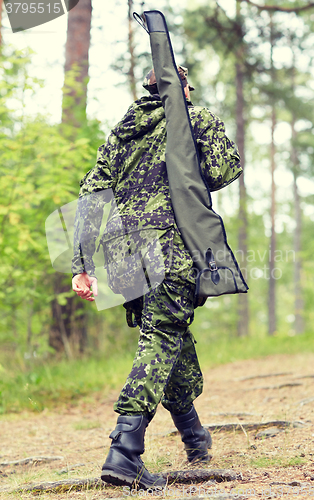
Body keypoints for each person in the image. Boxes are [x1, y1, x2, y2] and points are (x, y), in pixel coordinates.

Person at [72, 66, 243, 490]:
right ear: (180, 88)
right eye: (188, 88)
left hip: (125, 254)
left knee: (170, 339)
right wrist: (198, 128)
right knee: (162, 338)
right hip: (170, 245)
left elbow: (91, 196)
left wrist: (82, 264)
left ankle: (194, 437)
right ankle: (125, 454)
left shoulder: (121, 132)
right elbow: (223, 171)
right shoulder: (195, 119)